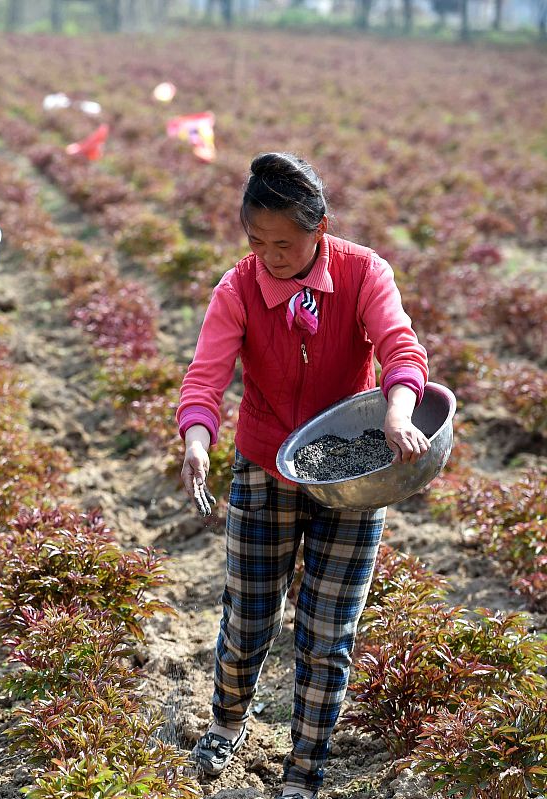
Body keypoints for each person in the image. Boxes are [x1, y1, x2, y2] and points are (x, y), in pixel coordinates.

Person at [175, 153, 431, 799]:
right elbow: (205, 378)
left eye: (283, 244)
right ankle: (226, 723)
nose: (269, 256)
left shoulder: (364, 272)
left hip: (352, 475)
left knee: (326, 633)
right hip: (265, 465)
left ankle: (305, 769)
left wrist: (399, 411)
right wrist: (197, 441)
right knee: (248, 617)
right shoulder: (238, 288)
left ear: (320, 228)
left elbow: (400, 348)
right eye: (256, 241)